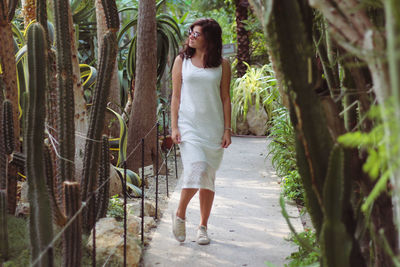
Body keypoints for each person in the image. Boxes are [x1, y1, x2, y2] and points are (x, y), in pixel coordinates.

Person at [170, 18, 232, 245]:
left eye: (197, 33)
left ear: (210, 38)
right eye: (191, 32)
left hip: (213, 128)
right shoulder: (181, 61)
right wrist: (174, 126)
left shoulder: (222, 64)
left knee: (208, 178)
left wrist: (227, 129)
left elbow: (226, 98)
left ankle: (203, 227)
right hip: (189, 126)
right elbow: (175, 96)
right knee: (198, 167)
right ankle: (180, 214)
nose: (192, 36)